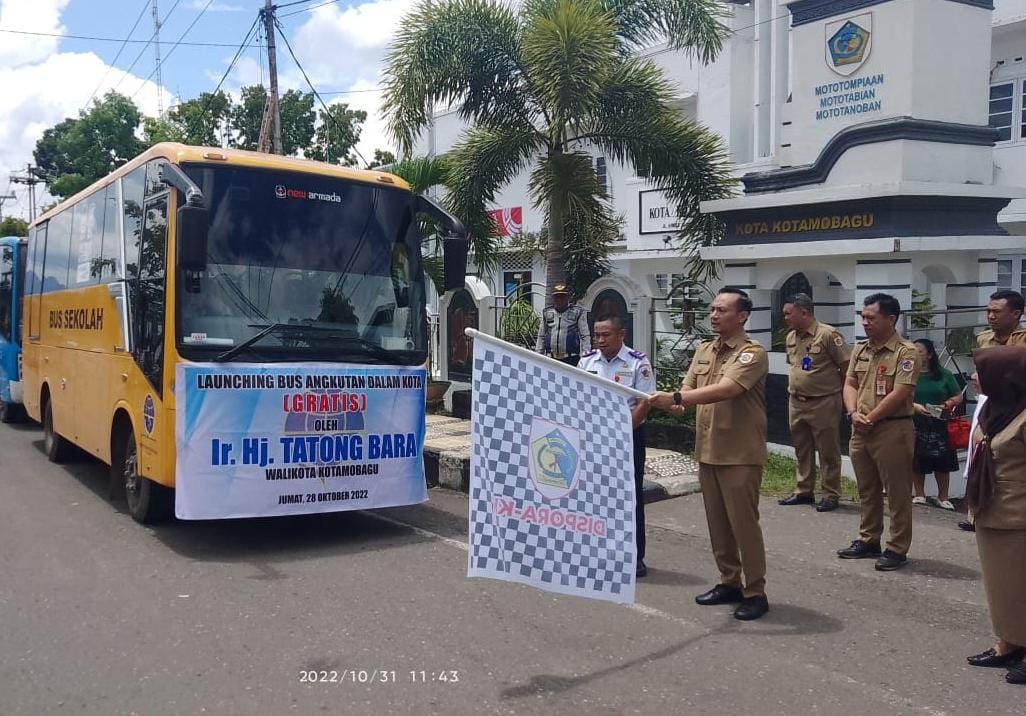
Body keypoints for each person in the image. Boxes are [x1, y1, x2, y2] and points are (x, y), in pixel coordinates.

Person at [649, 288, 770, 620]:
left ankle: (756, 591)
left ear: (742, 316)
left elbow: (728, 389)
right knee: (718, 524)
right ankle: (729, 581)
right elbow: (685, 397)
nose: (714, 315)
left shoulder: (751, 354)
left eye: (722, 310)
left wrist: (677, 397)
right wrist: (661, 401)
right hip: (709, 451)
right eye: (712, 309)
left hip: (739, 454)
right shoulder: (704, 350)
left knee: (743, 525)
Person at [838, 293, 921, 571]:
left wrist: (870, 418)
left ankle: (897, 547)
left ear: (891, 319)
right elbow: (849, 383)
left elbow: (902, 391)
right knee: (867, 488)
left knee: (896, 491)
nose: (865, 322)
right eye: (863, 317)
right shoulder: (861, 350)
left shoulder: (905, 352)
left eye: (871, 318)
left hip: (892, 428)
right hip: (860, 428)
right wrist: (853, 414)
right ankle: (869, 539)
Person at [963, 346, 1026, 686]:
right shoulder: (994, 409)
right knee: (1001, 586)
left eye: (981, 371)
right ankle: (1009, 642)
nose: (975, 377)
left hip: (1019, 516)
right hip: (989, 509)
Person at [578, 315, 655, 578]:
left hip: (627, 437)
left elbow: (644, 404)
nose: (600, 340)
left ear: (621, 335)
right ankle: (599, 551)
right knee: (595, 496)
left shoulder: (637, 363)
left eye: (605, 335)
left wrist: (619, 433)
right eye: (596, 335)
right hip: (594, 438)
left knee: (630, 497)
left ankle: (634, 556)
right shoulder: (587, 361)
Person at [778, 293, 851, 512]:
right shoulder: (791, 337)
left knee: (828, 450)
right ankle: (804, 490)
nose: (786, 318)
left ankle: (830, 493)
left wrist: (846, 398)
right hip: (796, 401)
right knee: (802, 448)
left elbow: (846, 368)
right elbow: (797, 366)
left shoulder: (828, 335)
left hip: (824, 401)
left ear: (804, 312)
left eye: (788, 313)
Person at [961, 290, 1026, 531]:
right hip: (986, 400)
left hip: (1018, 406)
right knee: (977, 451)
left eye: (997, 312)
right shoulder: (984, 339)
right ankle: (975, 509)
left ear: (1017, 313)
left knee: (1007, 457)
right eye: (988, 311)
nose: (991, 316)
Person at [911, 338, 963, 511]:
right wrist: (915, 408)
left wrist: (947, 404)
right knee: (917, 457)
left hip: (940, 421)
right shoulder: (909, 373)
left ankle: (943, 496)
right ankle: (919, 494)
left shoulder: (944, 374)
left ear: (930, 354)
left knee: (943, 459)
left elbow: (958, 396)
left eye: (920, 351)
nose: (916, 354)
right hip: (916, 420)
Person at [535, 284, 591, 366]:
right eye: (557, 297)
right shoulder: (547, 313)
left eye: (562, 296)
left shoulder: (577, 313)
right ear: (553, 298)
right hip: (551, 359)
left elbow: (585, 336)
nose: (559, 300)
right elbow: (541, 336)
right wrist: (538, 355)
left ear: (568, 297)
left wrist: (585, 357)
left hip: (571, 359)